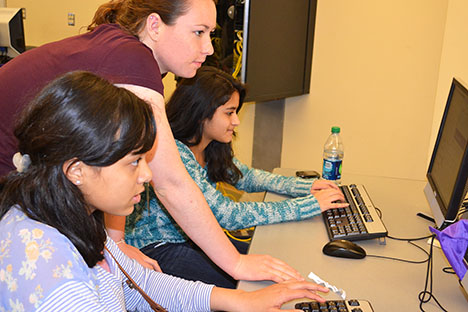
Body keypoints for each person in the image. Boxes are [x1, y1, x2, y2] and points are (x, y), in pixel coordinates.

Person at [0, 0, 301, 284]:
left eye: (211, 34)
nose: (208, 48)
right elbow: (170, 182)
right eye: (198, 32)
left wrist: (115, 243)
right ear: (155, 26)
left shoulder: (122, 48)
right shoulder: (133, 59)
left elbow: (117, 163)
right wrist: (237, 265)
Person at [0, 71, 329, 311]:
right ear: (77, 171)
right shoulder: (58, 283)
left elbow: (134, 285)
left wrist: (241, 300)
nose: (146, 176)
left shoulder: (63, 216)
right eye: (134, 162)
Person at [125, 66, 348, 288]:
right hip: (157, 247)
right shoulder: (175, 152)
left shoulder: (210, 147)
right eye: (229, 112)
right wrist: (308, 206)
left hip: (191, 239)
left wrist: (305, 187)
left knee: (274, 265)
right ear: (201, 112)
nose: (236, 122)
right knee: (245, 286)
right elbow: (229, 214)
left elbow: (247, 177)